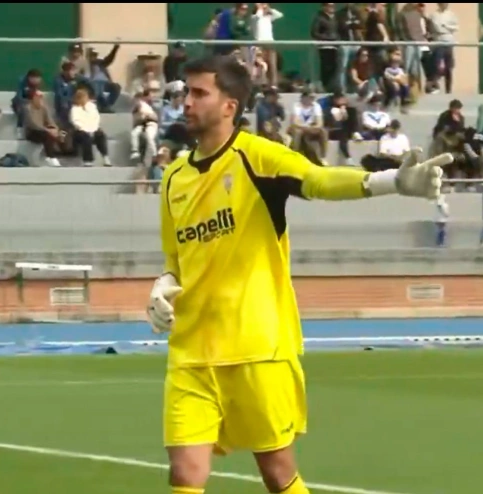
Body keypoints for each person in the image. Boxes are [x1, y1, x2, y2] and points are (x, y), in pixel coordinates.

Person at [148, 55, 449, 494]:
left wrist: (391, 182)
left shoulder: (257, 157)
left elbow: (318, 181)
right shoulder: (173, 177)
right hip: (191, 353)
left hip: (257, 347)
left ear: (229, 105)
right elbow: (175, 261)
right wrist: (159, 290)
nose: (186, 102)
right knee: (185, 475)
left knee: (277, 473)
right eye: (185, 92)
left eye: (198, 93)